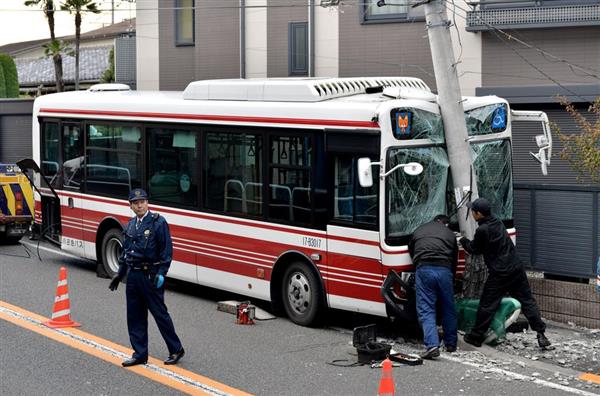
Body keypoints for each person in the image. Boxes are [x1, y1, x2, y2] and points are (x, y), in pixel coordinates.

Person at [459, 197, 551, 349]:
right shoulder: (497, 222)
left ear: (479, 214)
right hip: (516, 268)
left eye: (473, 211)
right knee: (527, 300)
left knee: (487, 304)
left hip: (500, 273)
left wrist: (462, 240)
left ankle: (475, 337)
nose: (472, 214)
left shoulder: (483, 229)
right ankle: (541, 333)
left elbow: (474, 249)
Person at [109, 188, 185, 367]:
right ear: (131, 206)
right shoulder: (130, 225)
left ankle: (176, 349)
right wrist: (119, 274)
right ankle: (140, 353)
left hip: (150, 275)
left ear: (147, 203)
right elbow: (126, 252)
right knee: (134, 316)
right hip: (133, 276)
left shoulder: (158, 223)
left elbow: (166, 250)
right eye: (135, 203)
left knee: (160, 314)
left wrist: (161, 273)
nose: (139, 205)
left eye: (142, 201)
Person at [408, 214, 458, 359]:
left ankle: (432, 345)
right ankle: (451, 344)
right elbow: (454, 258)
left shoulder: (419, 229)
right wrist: (451, 277)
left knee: (426, 308)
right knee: (448, 307)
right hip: (444, 271)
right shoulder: (449, 234)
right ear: (446, 223)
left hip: (424, 269)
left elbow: (412, 250)